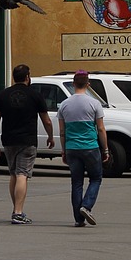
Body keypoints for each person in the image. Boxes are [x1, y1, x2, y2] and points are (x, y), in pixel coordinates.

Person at [0, 64, 53, 225]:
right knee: (22, 174)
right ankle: (18, 212)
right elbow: (46, 119)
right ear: (27, 77)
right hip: (27, 140)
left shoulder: (3, 95)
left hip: (9, 140)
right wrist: (50, 136)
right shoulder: (35, 95)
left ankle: (15, 209)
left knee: (13, 174)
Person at [56, 70, 110, 227]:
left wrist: (64, 150)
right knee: (96, 178)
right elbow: (100, 129)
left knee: (76, 182)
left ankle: (78, 219)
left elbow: (61, 131)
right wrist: (105, 150)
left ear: (73, 84)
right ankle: (86, 206)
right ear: (88, 84)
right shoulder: (94, 104)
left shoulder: (64, 105)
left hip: (72, 148)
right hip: (90, 147)